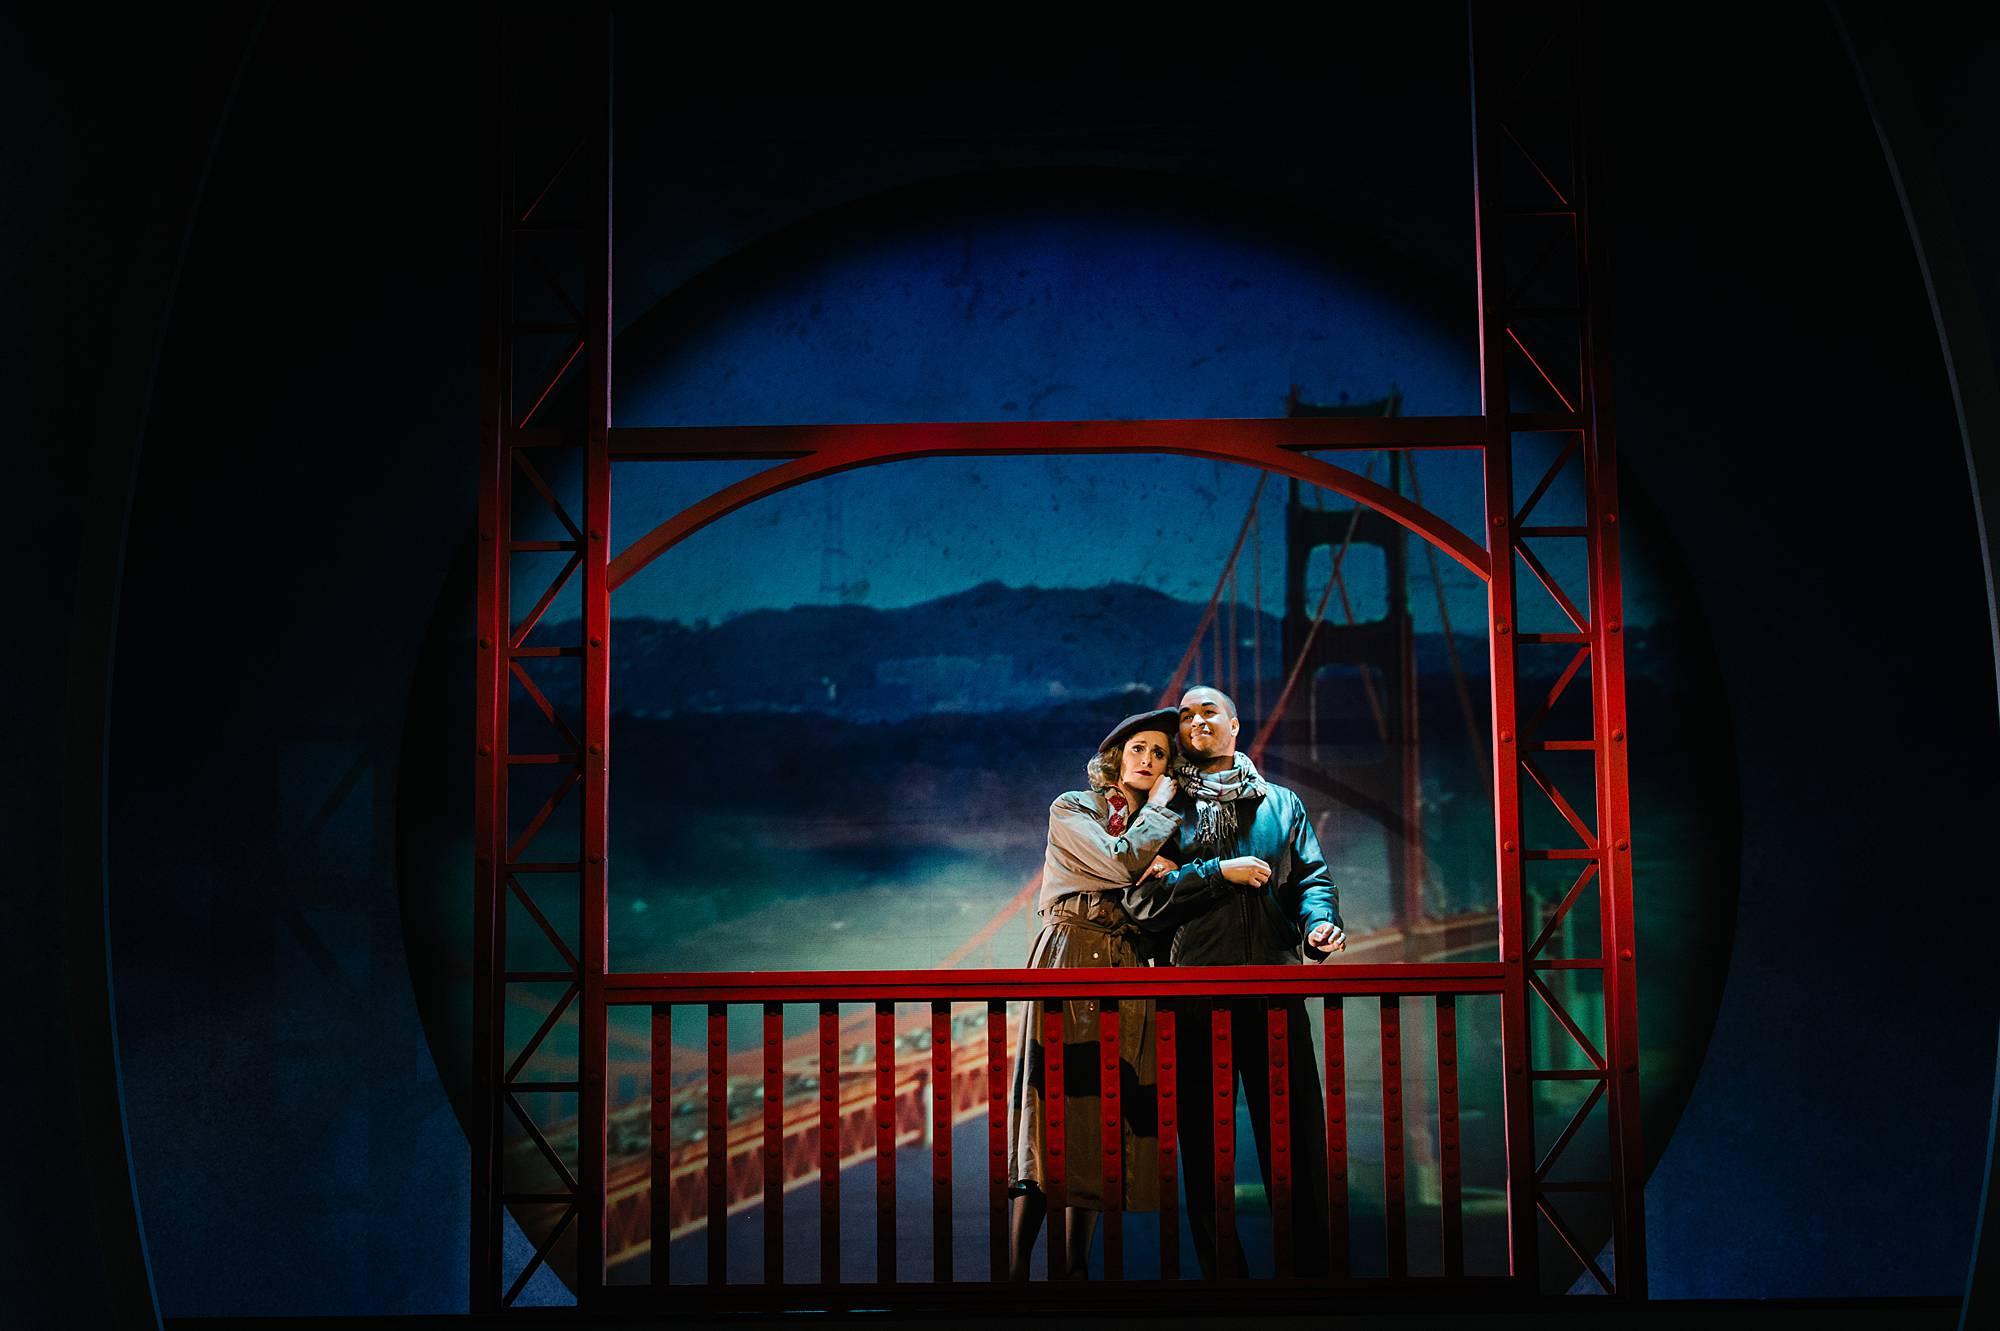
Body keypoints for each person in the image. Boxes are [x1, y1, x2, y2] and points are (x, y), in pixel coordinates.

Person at [1142, 684, 1345, 1280]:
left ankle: (1313, 1277)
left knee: (1303, 1140)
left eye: (1209, 711)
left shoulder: (1283, 803)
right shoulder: (1163, 809)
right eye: (1185, 715)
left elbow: (1311, 877)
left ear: (1235, 726)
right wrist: (1217, 873)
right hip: (1193, 993)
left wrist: (1321, 923)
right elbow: (1145, 899)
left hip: (1276, 989)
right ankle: (1223, 1280)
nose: (1195, 720)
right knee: (1205, 1149)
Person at [1003, 706, 1212, 1278]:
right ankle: (1017, 1273)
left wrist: (1171, 868)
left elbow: (1153, 908)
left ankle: (1073, 1270)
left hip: (1126, 963)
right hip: (1068, 957)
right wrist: (1158, 825)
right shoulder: (1072, 808)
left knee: (1102, 1117)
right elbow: (1117, 865)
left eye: (1161, 753)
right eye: (1139, 749)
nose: (1149, 760)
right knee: (1051, 1112)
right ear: (1117, 758)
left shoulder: (1166, 830)